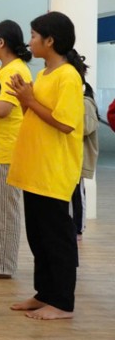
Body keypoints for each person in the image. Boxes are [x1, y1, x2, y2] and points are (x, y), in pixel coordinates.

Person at [6, 12, 84, 321]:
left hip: (54, 169)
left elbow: (65, 123)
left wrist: (30, 100)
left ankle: (62, 302)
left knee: (56, 238)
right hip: (35, 168)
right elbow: (35, 116)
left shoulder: (68, 76)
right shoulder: (45, 75)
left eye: (34, 36)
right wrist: (24, 98)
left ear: (50, 41)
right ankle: (45, 293)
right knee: (38, 236)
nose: (30, 42)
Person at [0, 20, 33, 278]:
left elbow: (3, 108)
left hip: (6, 151)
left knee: (3, 211)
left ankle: (2, 265)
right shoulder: (1, 70)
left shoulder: (16, 70)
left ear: (1, 42)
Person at [71, 84, 99, 240]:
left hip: (80, 157)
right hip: (71, 156)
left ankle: (79, 228)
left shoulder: (86, 103)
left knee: (78, 193)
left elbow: (86, 128)